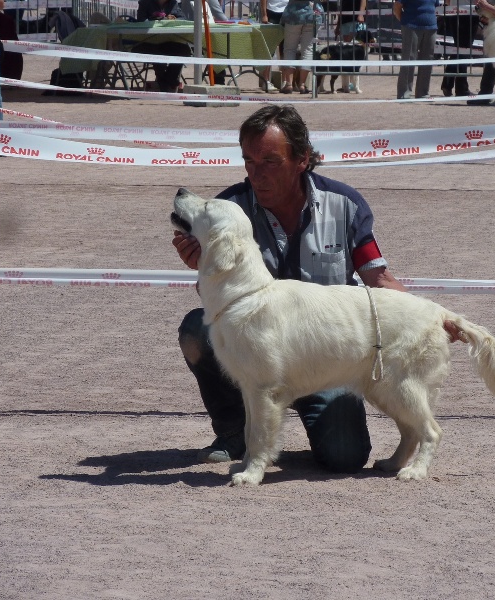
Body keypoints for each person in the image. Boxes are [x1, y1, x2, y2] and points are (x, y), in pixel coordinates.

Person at [173, 104, 408, 471]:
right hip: (259, 356)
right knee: (197, 330)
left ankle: (296, 423)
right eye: (248, 161)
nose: (255, 173)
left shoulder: (345, 206)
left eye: (269, 161)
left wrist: (425, 316)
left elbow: (378, 279)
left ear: (302, 159)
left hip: (324, 360)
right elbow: (217, 305)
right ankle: (235, 431)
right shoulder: (229, 208)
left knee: (345, 457)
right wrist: (202, 267)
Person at [135, 0, 191, 92]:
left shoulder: (173, 3)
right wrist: (160, 19)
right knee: (157, 53)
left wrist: (174, 19)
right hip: (147, 42)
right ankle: (166, 83)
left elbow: (183, 19)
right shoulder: (144, 2)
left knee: (185, 50)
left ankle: (167, 80)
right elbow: (141, 21)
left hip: (167, 41)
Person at [393, 0, 438, 99]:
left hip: (431, 25)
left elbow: (436, 4)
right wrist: (404, 21)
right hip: (411, 25)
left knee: (427, 60)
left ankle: (423, 93)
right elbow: (397, 6)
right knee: (409, 58)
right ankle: (404, 93)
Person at [279, 0, 323, 94]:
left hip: (294, 14)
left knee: (289, 49)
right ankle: (302, 84)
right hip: (314, 14)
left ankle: (289, 84)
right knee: (308, 50)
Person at [439, 5, 479, 97]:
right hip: (469, 14)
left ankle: (448, 83)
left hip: (454, 13)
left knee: (459, 49)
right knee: (463, 50)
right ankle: (461, 87)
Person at [258, 0, 288, 93]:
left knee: (285, 48)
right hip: (272, 11)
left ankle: (285, 81)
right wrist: (264, 14)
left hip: (287, 11)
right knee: (270, 47)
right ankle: (266, 80)